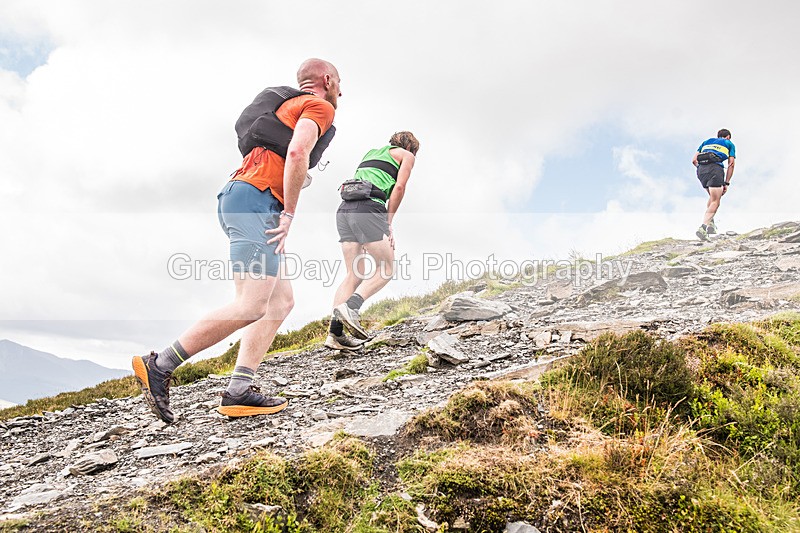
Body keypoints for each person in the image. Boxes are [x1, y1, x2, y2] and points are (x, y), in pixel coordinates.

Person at [132, 58, 342, 422]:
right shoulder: (319, 106)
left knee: (280, 302)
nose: (342, 90)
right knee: (251, 304)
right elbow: (297, 152)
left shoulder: (286, 107)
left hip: (243, 197)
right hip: (256, 200)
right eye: (340, 83)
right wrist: (289, 212)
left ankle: (239, 391)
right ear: (327, 80)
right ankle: (160, 364)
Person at [325, 132, 419, 350]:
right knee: (386, 268)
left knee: (354, 273)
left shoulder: (371, 153)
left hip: (344, 210)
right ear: (411, 148)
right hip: (368, 208)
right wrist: (388, 222)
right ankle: (351, 307)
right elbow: (399, 187)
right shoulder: (407, 155)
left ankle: (335, 335)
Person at [693, 128, 736, 241]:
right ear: (728, 137)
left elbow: (694, 160)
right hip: (715, 169)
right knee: (716, 201)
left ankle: (711, 224)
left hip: (701, 171)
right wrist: (726, 182)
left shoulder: (706, 142)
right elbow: (731, 164)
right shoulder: (729, 143)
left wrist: (701, 168)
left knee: (713, 198)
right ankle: (703, 227)